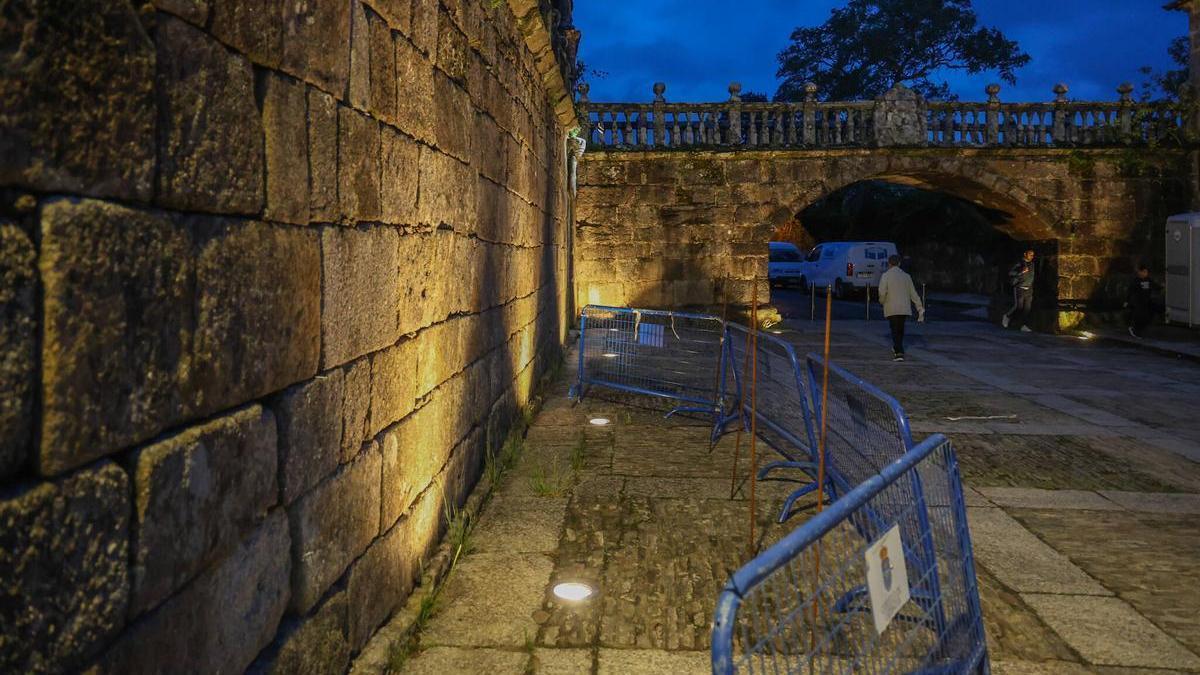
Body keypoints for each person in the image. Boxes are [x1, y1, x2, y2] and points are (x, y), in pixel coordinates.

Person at [878, 254, 924, 361]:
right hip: (904, 307)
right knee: (900, 328)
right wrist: (919, 307)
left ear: (889, 264)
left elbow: (882, 291)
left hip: (891, 307)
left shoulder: (886, 276)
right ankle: (897, 347)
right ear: (899, 263)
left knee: (894, 329)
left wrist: (882, 301)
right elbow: (913, 294)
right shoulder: (906, 276)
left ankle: (899, 352)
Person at [1002, 249, 1035, 332]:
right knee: (1019, 307)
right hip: (1020, 288)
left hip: (1029, 289)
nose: (1032, 256)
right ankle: (1007, 316)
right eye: (1030, 254)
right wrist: (1021, 271)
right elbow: (1011, 273)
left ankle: (1022, 325)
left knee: (1027, 309)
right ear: (1025, 254)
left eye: (1032, 255)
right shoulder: (1020, 263)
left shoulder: (1032, 264)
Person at [1125, 264, 1160, 338]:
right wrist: (1127, 301)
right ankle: (1135, 330)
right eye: (1144, 272)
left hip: (1146, 301)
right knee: (1139, 316)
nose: (1145, 273)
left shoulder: (1148, 280)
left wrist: (1161, 287)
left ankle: (1140, 330)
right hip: (1138, 301)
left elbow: (1155, 286)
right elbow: (1130, 291)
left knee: (1147, 316)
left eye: (1146, 272)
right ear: (1140, 272)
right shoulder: (1136, 281)